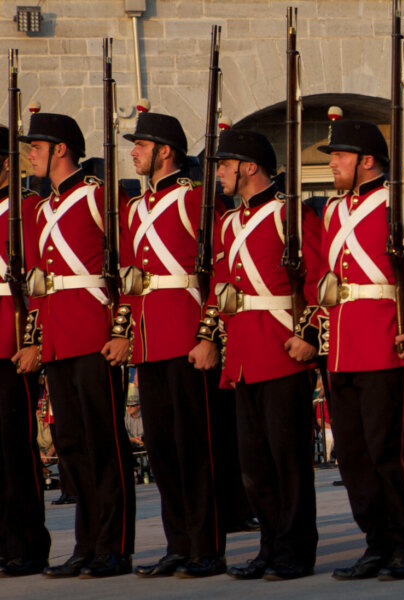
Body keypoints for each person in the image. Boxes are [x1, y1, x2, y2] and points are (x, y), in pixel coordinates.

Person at [188, 127, 323, 581]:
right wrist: (208, 338)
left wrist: (309, 334)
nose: (219, 175)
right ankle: (269, 546)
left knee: (288, 460)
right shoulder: (228, 221)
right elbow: (221, 288)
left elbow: (318, 280)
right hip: (242, 352)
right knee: (255, 465)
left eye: (224, 166)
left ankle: (295, 550)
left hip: (281, 346)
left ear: (248, 167)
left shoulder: (290, 213)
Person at [313, 117, 404, 581]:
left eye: (340, 156)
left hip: (388, 341)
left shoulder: (403, 203)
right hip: (342, 345)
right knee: (355, 455)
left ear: (367, 161)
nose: (334, 165)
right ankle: (376, 541)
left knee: (393, 453)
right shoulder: (332, 211)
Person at [13, 112, 136, 579]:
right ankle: (87, 544)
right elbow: (43, 285)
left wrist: (122, 330)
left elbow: (129, 269)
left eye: (36, 147)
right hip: (60, 339)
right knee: (72, 444)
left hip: (94, 333)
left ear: (60, 148)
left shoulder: (101, 197)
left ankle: (115, 545)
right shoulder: (44, 209)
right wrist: (37, 342)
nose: (30, 155)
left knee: (104, 443)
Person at [115, 111, 231, 579]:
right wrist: (122, 333)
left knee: (196, 448)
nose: (134, 151)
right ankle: (178, 543)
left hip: (186, 337)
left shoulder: (197, 200)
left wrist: (208, 334)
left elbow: (222, 271)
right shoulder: (133, 207)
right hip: (148, 340)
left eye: (142, 144)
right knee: (162, 450)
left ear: (166, 150)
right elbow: (129, 278)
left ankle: (207, 547)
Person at [0, 130, 50, 577]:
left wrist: (32, 339)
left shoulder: (26, 208)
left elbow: (39, 277)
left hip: (9, 339)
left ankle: (27, 542)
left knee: (14, 448)